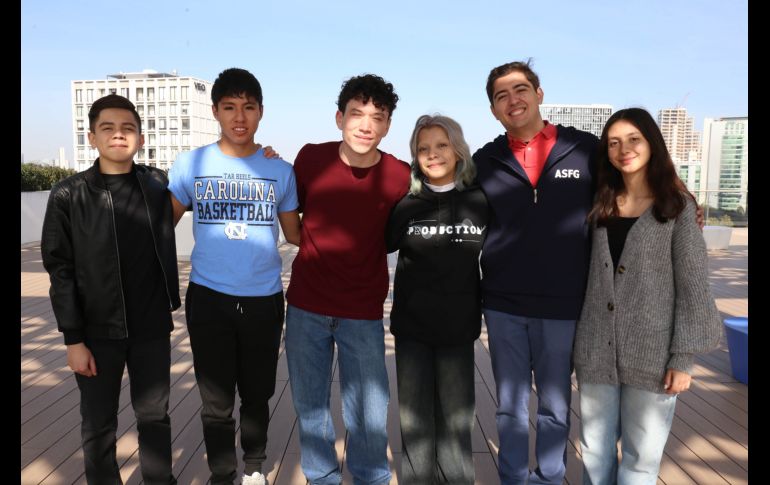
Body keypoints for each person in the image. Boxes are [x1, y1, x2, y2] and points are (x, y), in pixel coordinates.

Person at [574, 107, 721, 484]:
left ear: (652, 143)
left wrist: (682, 357)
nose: (624, 149)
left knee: (641, 459)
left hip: (653, 355)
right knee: (594, 451)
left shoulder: (677, 207)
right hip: (596, 351)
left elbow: (693, 287)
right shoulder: (599, 205)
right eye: (614, 142)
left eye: (633, 139)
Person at [167, 67, 301, 485]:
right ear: (216, 112)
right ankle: (222, 474)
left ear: (261, 112)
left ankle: (255, 468)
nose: (239, 117)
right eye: (229, 107)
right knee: (216, 398)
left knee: (258, 392)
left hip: (263, 297)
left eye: (248, 107)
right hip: (208, 296)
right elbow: (156, 227)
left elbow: (296, 233)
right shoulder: (192, 163)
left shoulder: (280, 170)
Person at [41, 94, 180, 485]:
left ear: (139, 136)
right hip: (96, 330)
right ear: (92, 137)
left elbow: (205, 176)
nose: (119, 135)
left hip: (151, 327)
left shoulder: (156, 184)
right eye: (109, 128)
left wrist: (264, 154)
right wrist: (73, 339)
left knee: (155, 417)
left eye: (128, 128)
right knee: (98, 424)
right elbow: (60, 270)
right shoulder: (68, 195)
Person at [473, 60, 599, 484]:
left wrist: (678, 192)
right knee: (509, 406)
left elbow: (635, 182)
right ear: (493, 109)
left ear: (539, 94)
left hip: (563, 302)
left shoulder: (584, 148)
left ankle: (548, 477)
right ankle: (512, 477)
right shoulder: (485, 160)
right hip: (503, 302)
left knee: (555, 406)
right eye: (502, 95)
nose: (514, 100)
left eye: (521, 89)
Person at [285, 74, 410, 485]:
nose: (365, 124)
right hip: (306, 306)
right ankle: (321, 478)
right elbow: (291, 211)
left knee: (370, 411)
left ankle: (372, 477)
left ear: (388, 125)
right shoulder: (310, 159)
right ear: (339, 117)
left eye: (377, 117)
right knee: (311, 407)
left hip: (363, 309)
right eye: (356, 113)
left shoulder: (398, 175)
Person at [386, 114, 488, 484]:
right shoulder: (406, 203)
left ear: (458, 150)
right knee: (415, 426)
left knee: (456, 426)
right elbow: (376, 242)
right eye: (424, 148)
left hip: (459, 331)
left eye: (441, 145)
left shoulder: (479, 199)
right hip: (412, 329)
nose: (433, 154)